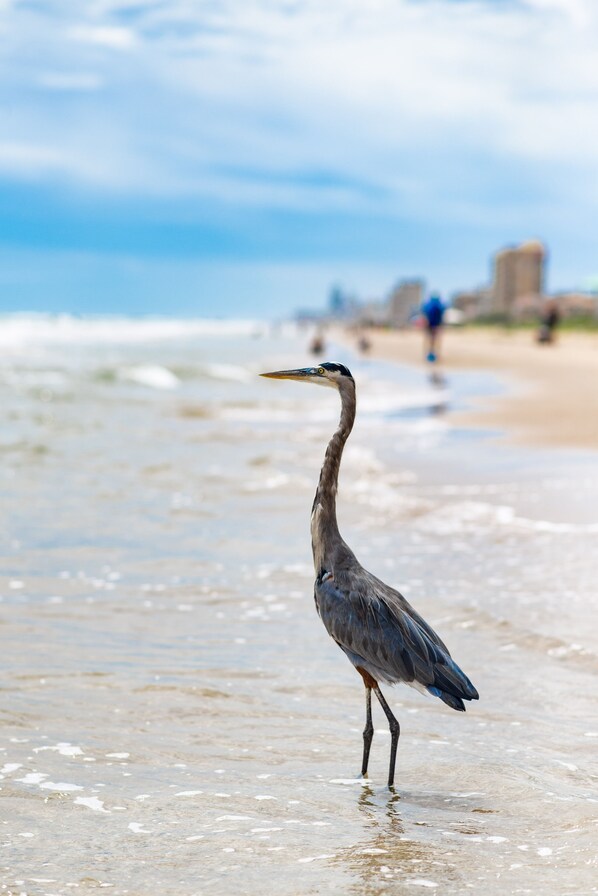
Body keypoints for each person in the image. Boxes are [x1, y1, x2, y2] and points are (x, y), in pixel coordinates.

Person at [421, 294, 445, 362]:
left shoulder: (427, 305)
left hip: (429, 325)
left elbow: (425, 315)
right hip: (437, 325)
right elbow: (442, 315)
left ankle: (427, 354)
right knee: (437, 340)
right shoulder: (440, 305)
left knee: (428, 340)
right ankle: (437, 355)